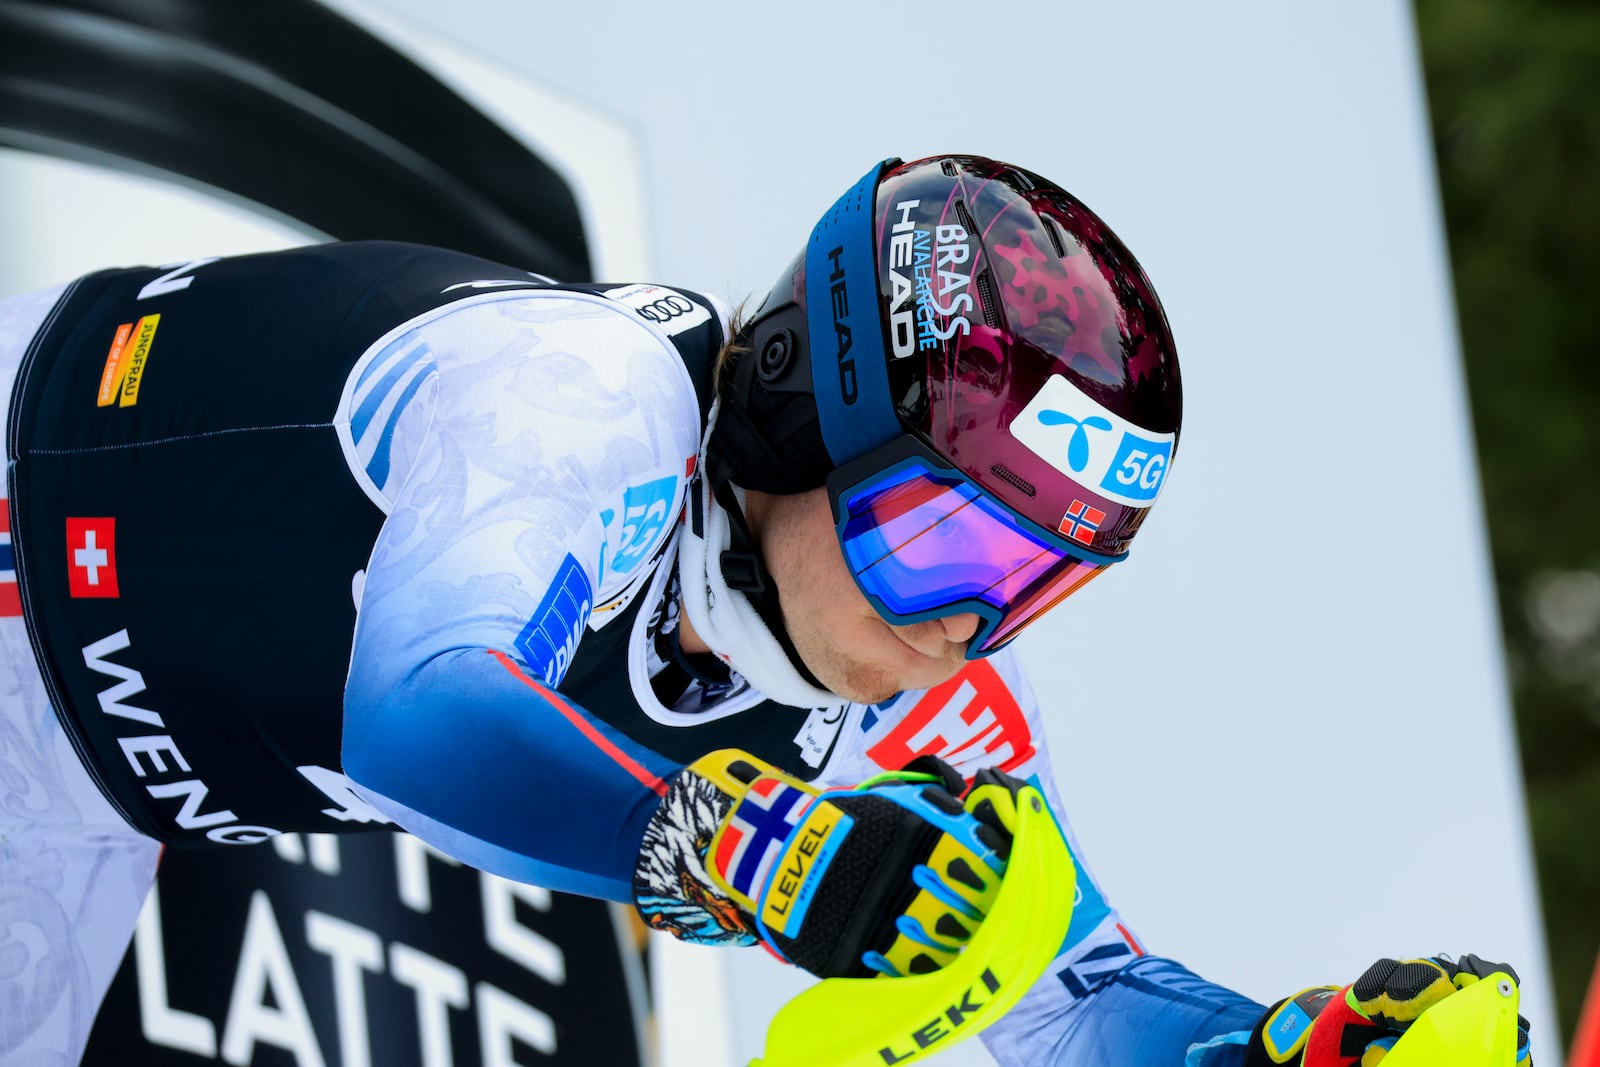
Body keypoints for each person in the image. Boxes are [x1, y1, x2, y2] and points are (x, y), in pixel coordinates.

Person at [0, 154, 1530, 1067]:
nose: (964, 627)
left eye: (1029, 584)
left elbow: (1066, 1006)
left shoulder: (925, 711)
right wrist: (753, 848)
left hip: (98, 798)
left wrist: (1266, 1046)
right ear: (802, 419)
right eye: (945, 545)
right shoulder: (580, 404)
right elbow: (424, 699)